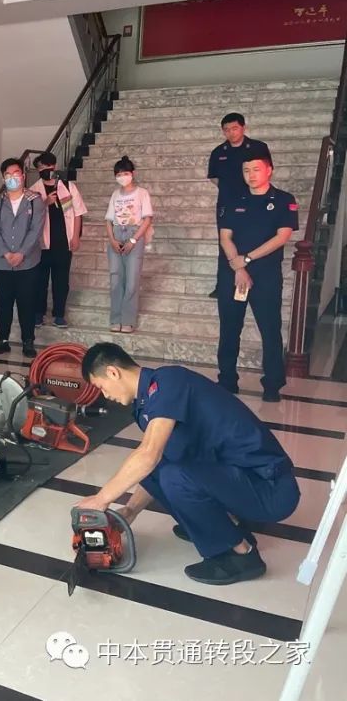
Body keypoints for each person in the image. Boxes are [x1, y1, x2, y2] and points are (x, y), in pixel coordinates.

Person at [77, 342, 300, 585]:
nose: (105, 395)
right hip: (238, 478)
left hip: (270, 487)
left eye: (101, 387)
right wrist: (130, 511)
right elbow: (155, 463)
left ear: (113, 372)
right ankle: (212, 524)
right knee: (162, 469)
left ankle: (242, 554)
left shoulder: (169, 382)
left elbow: (149, 454)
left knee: (175, 476)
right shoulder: (146, 403)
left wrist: (102, 498)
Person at [217, 157, 297, 402]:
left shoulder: (283, 200)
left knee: (270, 330)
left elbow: (282, 237)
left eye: (256, 169)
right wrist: (238, 266)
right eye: (246, 170)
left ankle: (272, 384)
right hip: (233, 273)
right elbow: (225, 237)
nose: (251, 175)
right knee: (229, 329)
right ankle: (227, 380)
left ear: (269, 170)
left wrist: (248, 259)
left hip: (266, 275)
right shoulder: (233, 200)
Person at [0, 159, 44, 357]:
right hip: (2, 263)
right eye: (8, 175)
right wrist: (6, 253)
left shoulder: (35, 201)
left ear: (23, 176)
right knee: (4, 302)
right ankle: (2, 340)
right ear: (3, 178)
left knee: (27, 302)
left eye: (16, 173)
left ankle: (28, 341)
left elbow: (36, 230)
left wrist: (21, 253)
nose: (12, 178)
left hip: (28, 262)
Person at [207, 113, 272, 299]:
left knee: (254, 238)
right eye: (226, 130)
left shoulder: (258, 147)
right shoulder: (218, 152)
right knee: (225, 242)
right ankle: (223, 285)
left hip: (255, 201)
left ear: (243, 127)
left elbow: (266, 172)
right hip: (227, 203)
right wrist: (230, 191)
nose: (231, 133)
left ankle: (255, 281)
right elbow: (214, 178)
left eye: (235, 128)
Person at [29, 152, 86, 328]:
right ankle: (38, 313)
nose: (45, 170)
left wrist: (75, 236)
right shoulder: (33, 191)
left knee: (61, 280)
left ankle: (59, 314)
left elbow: (78, 213)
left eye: (48, 166)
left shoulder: (68, 187)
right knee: (40, 280)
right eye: (41, 167)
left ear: (54, 166)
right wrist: (45, 202)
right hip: (41, 244)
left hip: (63, 241)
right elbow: (28, 216)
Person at [104, 156, 154, 334]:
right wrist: (112, 240)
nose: (122, 177)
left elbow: (147, 219)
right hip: (117, 233)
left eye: (125, 173)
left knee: (132, 281)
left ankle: (128, 320)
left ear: (132, 174)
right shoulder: (115, 194)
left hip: (135, 233)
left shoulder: (142, 193)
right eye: (118, 174)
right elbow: (109, 220)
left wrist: (134, 240)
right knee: (116, 279)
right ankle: (115, 318)